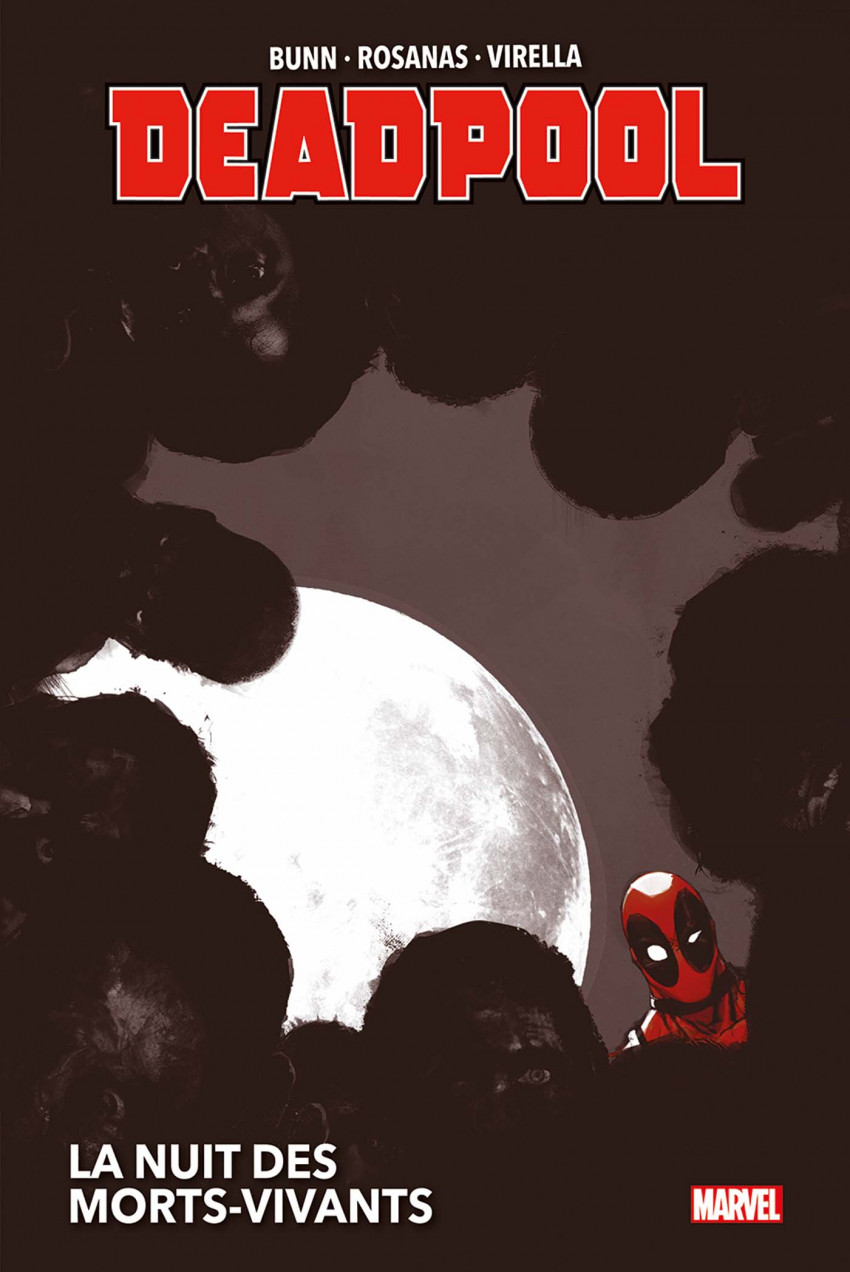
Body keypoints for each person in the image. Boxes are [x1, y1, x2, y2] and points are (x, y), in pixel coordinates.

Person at [616, 871, 746, 1052]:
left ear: (710, 927)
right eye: (656, 953)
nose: (683, 964)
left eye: (693, 938)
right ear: (638, 959)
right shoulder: (644, 1051)